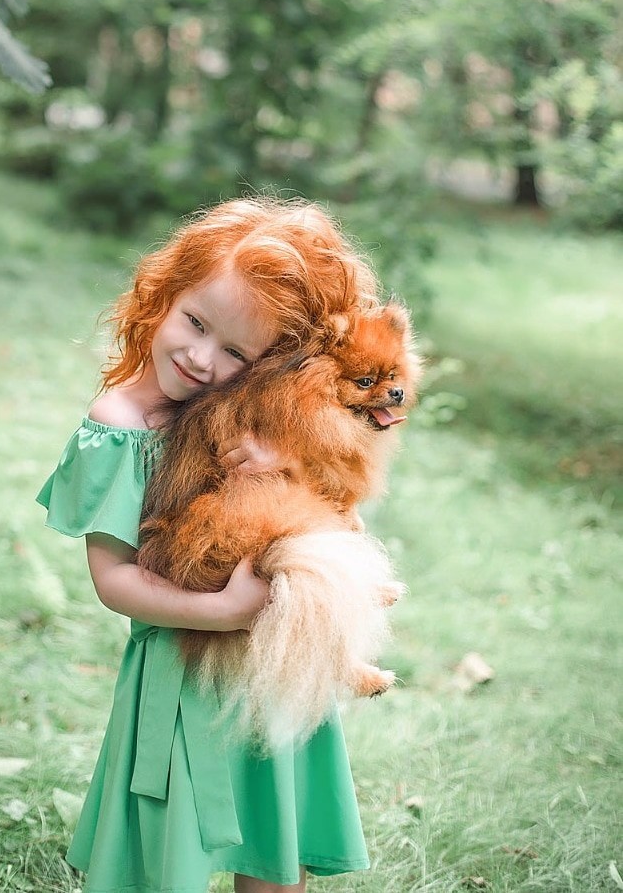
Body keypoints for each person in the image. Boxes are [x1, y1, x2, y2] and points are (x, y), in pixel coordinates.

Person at [37, 197, 380, 893]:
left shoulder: (256, 419)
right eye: (195, 323)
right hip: (182, 673)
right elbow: (113, 581)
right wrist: (226, 610)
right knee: (172, 858)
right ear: (163, 294)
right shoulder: (120, 426)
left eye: (235, 352)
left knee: (272, 842)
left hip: (273, 661)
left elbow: (323, 500)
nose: (199, 358)